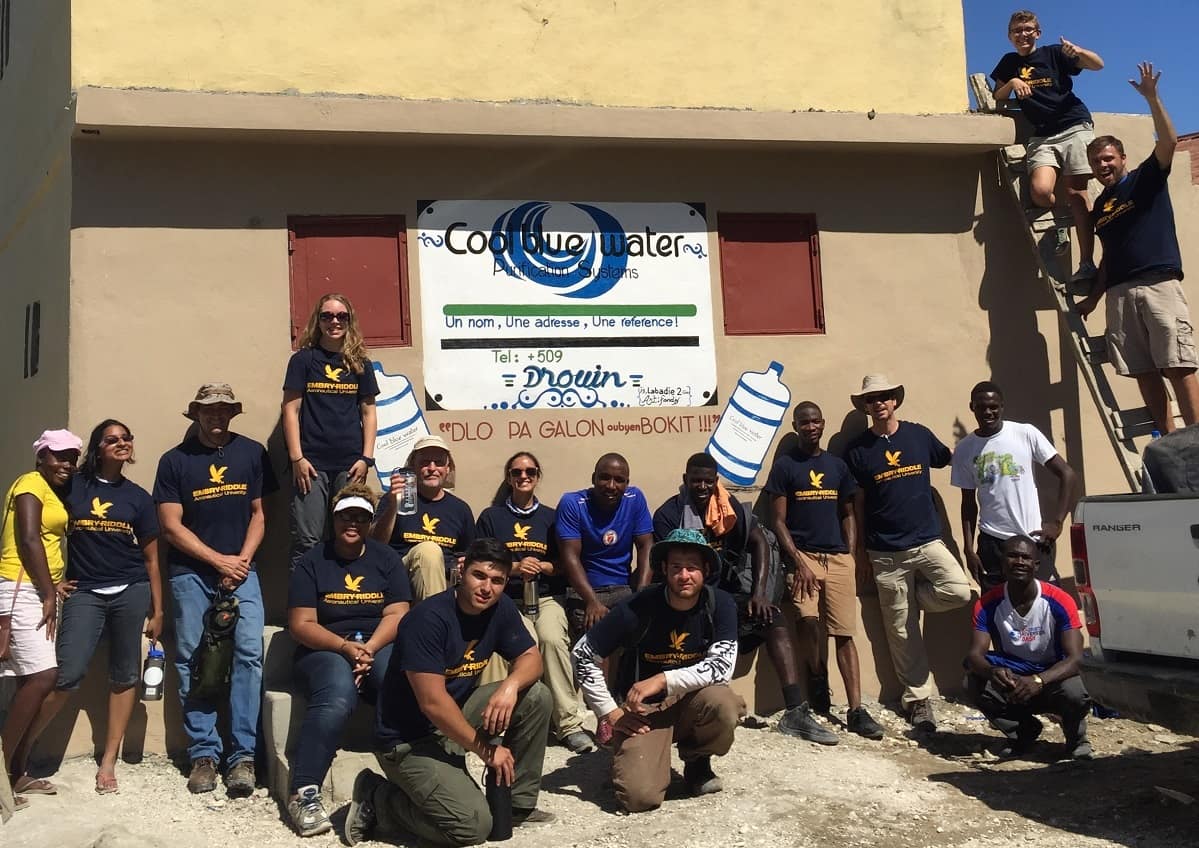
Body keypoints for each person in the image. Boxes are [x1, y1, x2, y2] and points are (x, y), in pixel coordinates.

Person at [346, 538, 554, 847]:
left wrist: (510, 687)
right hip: (407, 741)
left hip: (453, 720)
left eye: (497, 580)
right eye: (479, 576)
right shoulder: (427, 619)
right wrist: (487, 751)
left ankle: (515, 806)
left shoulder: (500, 609)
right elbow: (432, 703)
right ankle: (379, 799)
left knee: (536, 696)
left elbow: (531, 659)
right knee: (472, 828)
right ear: (461, 572)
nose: (487, 587)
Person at [655, 451, 840, 744]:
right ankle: (690, 713)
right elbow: (669, 566)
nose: (702, 487)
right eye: (695, 481)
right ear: (685, 480)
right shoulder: (669, 514)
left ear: (715, 481)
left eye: (707, 481)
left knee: (773, 619)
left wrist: (759, 593)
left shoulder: (728, 508)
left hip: (728, 593)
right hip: (688, 596)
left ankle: (795, 712)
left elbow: (760, 542)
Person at [26, 420, 164, 796]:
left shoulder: (138, 497)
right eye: (111, 439)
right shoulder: (74, 486)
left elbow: (152, 560)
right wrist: (50, 581)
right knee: (67, 674)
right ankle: (18, 749)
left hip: (131, 590)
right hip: (84, 591)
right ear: (98, 448)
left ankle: (108, 762)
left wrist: (158, 609)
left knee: (124, 676)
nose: (121, 443)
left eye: (126, 438)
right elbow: (43, 532)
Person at [154, 383, 276, 796]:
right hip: (191, 574)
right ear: (196, 415)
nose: (217, 416)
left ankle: (242, 757)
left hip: (243, 572)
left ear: (233, 413)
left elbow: (261, 515)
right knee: (191, 658)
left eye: (224, 410)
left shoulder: (252, 453)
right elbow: (171, 526)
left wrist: (239, 561)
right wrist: (217, 560)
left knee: (247, 657)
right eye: (209, 410)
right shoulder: (174, 461)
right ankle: (203, 754)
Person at [571, 528, 746, 813]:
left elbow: (721, 668)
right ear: (663, 569)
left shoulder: (720, 604)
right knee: (639, 799)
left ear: (705, 570)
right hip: (643, 713)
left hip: (693, 701)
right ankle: (630, 755)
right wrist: (610, 713)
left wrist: (663, 679)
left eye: (692, 567)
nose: (684, 575)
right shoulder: (638, 606)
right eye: (676, 567)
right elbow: (582, 654)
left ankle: (697, 762)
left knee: (724, 703)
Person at [845, 375, 974, 732]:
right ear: (866, 407)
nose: (879, 403)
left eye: (885, 397)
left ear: (895, 401)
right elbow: (856, 502)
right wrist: (859, 552)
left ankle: (914, 599)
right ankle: (918, 700)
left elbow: (950, 461)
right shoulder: (856, 451)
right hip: (885, 551)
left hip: (928, 541)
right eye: (872, 400)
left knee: (959, 590)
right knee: (901, 631)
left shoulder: (918, 435)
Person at [1078, 63, 1199, 434]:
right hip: (1118, 293)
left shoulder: (1146, 179)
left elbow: (1167, 142)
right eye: (1097, 162)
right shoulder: (1102, 207)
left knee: (1176, 364)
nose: (1103, 166)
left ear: (1123, 159)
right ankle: (1170, 441)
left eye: (1109, 159)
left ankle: (1195, 437)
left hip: (1158, 285)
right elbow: (1108, 258)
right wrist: (1095, 299)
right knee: (1144, 371)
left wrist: (1153, 98)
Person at [286, 483, 411, 836]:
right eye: (345, 516)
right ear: (334, 518)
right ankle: (305, 791)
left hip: (376, 643)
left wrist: (368, 648)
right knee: (338, 694)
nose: (352, 523)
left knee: (398, 681)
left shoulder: (385, 558)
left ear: (371, 521)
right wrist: (346, 648)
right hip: (324, 647)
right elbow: (301, 624)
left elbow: (399, 612)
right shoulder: (313, 561)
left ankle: (411, 781)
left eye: (360, 516)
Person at [766, 404, 885, 741]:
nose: (810, 427)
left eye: (816, 421)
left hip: (837, 558)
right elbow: (777, 520)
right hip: (802, 556)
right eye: (804, 422)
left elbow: (848, 511)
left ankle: (856, 709)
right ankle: (816, 675)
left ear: (822, 423)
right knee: (807, 621)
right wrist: (799, 562)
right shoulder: (786, 466)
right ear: (796, 425)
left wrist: (848, 550)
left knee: (844, 633)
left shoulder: (837, 466)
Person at [475, 451, 594, 754]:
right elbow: (482, 561)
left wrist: (543, 567)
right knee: (523, 641)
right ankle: (506, 724)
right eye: (517, 472)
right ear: (508, 477)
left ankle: (567, 723)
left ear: (538, 476)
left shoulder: (552, 517)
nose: (524, 477)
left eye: (530, 471)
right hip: (507, 599)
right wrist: (514, 568)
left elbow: (567, 562)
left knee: (552, 639)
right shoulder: (492, 517)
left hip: (546, 596)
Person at [990, 9, 1104, 282]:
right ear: (1010, 37)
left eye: (1028, 29)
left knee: (1077, 193)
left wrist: (1077, 51)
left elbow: (1097, 65)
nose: (1023, 35)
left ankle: (1086, 263)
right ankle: (1060, 223)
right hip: (1042, 135)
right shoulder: (1008, 62)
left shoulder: (1054, 53)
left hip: (1073, 125)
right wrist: (1014, 81)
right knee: (1040, 192)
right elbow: (997, 94)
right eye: (1017, 31)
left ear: (1037, 33)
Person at [1, 429, 81, 804]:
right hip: (19, 587)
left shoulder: (51, 490)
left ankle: (16, 774)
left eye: (72, 458)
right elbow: (30, 538)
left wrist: (54, 584)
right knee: (43, 675)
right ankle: (2, 772)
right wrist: (48, 592)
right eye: (59, 456)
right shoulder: (30, 484)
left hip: (38, 587)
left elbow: (46, 546)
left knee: (27, 682)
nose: (66, 464)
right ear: (41, 457)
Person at [965, 535, 1092, 759]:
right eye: (1013, 556)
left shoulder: (1059, 600)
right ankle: (1023, 733)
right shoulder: (987, 604)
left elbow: (1076, 657)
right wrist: (992, 672)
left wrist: (1039, 680)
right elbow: (975, 654)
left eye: (1026, 557)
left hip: (1052, 678)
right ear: (1002, 562)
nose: (1020, 562)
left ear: (1036, 565)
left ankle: (1076, 739)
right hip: (1014, 680)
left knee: (1076, 691)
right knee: (974, 682)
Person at [283, 293, 379, 569]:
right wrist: (297, 459)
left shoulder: (360, 363)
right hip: (310, 465)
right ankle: (304, 608)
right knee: (307, 539)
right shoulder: (303, 361)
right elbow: (290, 410)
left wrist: (366, 458)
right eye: (327, 316)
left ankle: (344, 600)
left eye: (341, 316)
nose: (334, 322)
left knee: (351, 537)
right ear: (318, 320)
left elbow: (368, 412)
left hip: (351, 465)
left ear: (349, 321)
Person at [951, 382, 1079, 590]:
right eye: (981, 407)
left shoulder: (1025, 433)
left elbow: (1067, 474)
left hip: (1032, 538)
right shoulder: (965, 449)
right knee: (995, 608)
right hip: (992, 542)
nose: (988, 412)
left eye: (993, 406)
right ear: (972, 407)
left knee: (1038, 604)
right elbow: (968, 502)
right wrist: (968, 549)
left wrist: (1056, 523)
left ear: (1002, 406)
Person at [557, 452, 653, 638]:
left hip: (623, 589)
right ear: (593, 478)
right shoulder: (573, 503)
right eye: (604, 478)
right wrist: (592, 601)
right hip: (585, 593)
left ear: (626, 483)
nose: (611, 486)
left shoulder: (635, 498)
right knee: (599, 639)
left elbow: (646, 546)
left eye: (619, 480)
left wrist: (642, 593)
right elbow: (570, 557)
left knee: (644, 630)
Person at [372, 434, 474, 601]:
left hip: (447, 581)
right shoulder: (396, 499)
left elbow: (468, 554)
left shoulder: (460, 509)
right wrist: (392, 506)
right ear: (413, 467)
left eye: (439, 462)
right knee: (429, 550)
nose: (432, 468)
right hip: (400, 579)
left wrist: (465, 563)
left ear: (448, 469)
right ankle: (434, 621)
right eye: (424, 462)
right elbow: (375, 545)